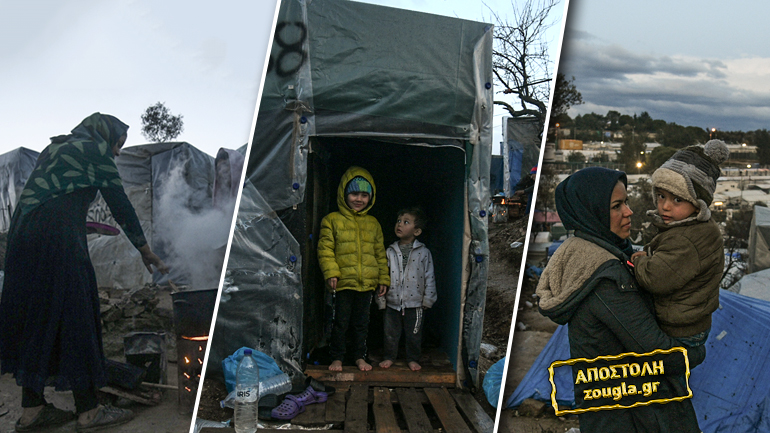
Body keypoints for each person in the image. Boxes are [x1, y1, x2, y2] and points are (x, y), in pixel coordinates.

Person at [0, 113, 169, 432]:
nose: (117, 153)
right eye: (118, 145)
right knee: (77, 313)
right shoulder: (95, 150)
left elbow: (49, 203)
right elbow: (119, 203)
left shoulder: (55, 150)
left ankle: (32, 411)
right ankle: (89, 413)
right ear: (107, 137)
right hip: (58, 241)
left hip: (22, 240)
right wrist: (145, 249)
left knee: (40, 316)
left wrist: (84, 224)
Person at [536, 167, 706, 433]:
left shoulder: (597, 255)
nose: (629, 211)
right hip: (635, 418)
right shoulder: (607, 280)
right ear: (592, 212)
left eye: (625, 202)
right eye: (617, 206)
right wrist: (698, 350)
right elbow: (661, 355)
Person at [631, 140, 728, 348]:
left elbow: (655, 278)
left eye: (677, 200)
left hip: (680, 331)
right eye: (661, 196)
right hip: (693, 324)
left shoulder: (686, 239)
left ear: (697, 203)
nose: (665, 206)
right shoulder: (693, 226)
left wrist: (640, 261)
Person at [317, 166, 389, 372]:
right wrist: (331, 272)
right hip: (342, 283)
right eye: (354, 193)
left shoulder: (373, 223)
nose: (359, 199)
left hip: (366, 284)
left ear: (371, 197)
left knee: (361, 324)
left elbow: (379, 253)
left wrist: (383, 278)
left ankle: (359, 357)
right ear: (344, 194)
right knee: (340, 322)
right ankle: (337, 358)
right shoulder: (332, 220)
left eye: (364, 195)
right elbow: (325, 249)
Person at [379, 207, 436, 371]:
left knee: (414, 334)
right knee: (390, 333)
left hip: (416, 302)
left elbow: (429, 276)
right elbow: (383, 276)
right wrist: (381, 299)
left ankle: (412, 359)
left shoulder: (423, 252)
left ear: (417, 231)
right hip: (392, 301)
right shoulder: (390, 251)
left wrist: (428, 299)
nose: (400, 225)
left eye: (406, 222)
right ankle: (389, 357)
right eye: (398, 221)